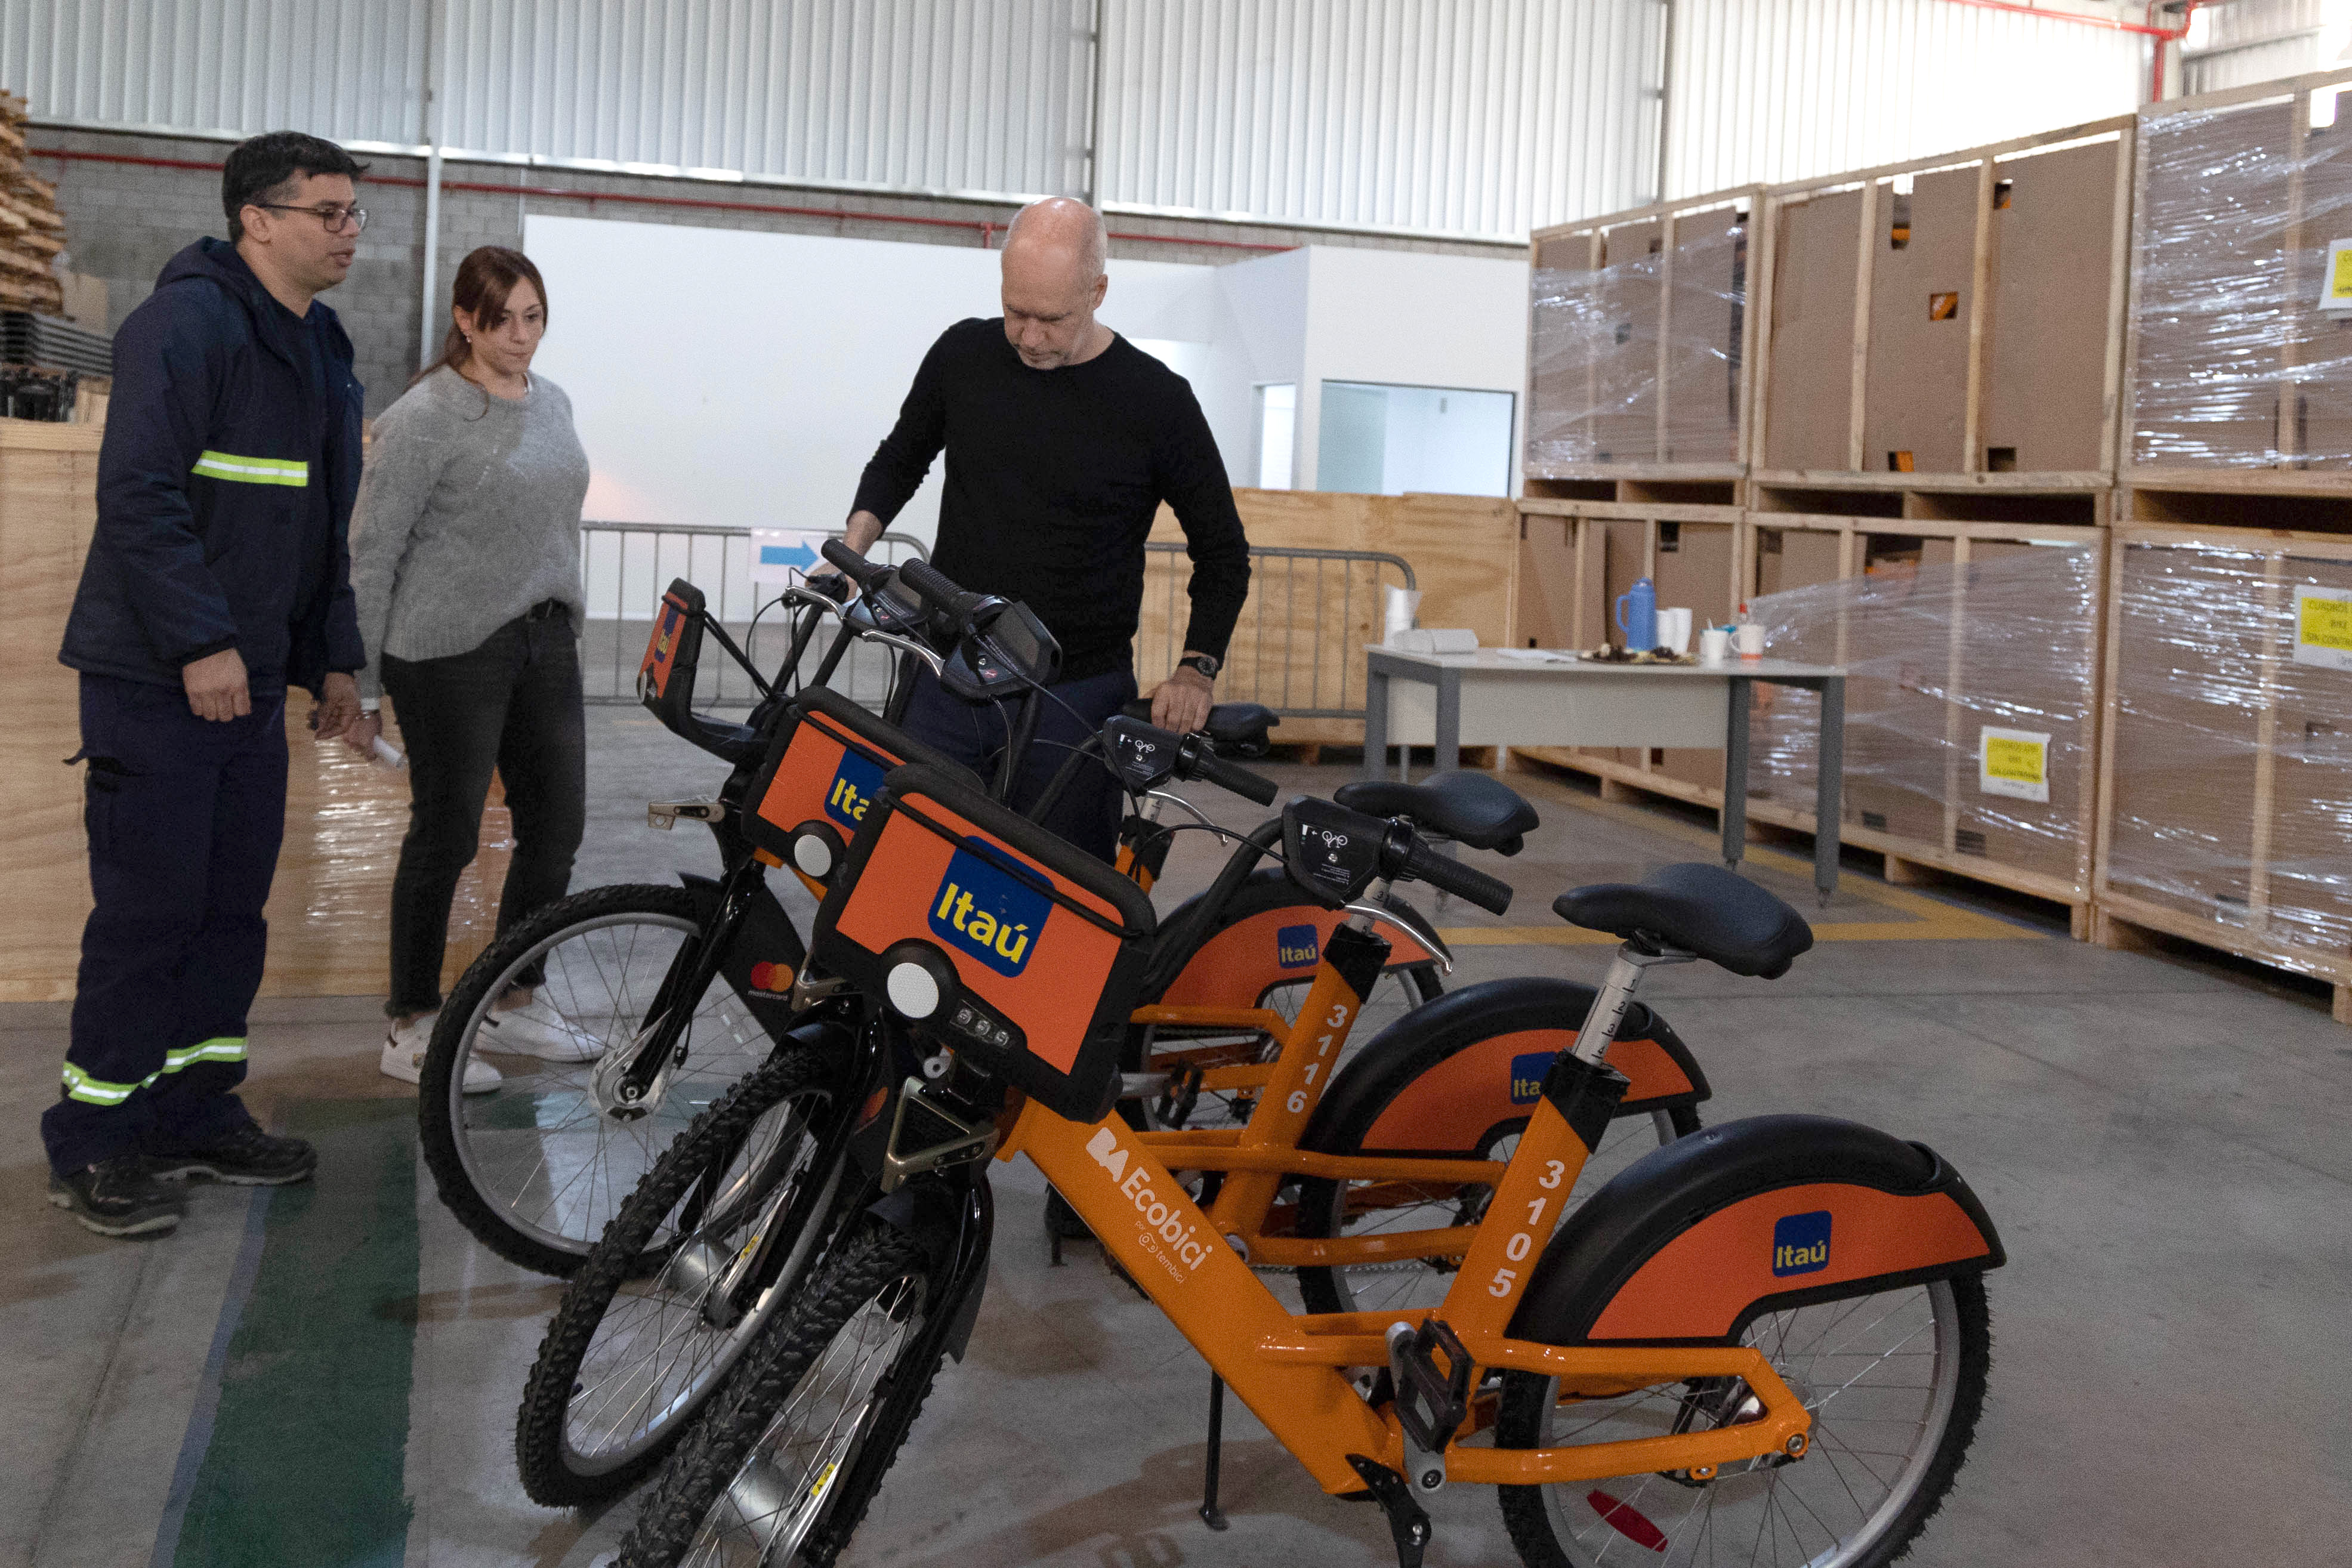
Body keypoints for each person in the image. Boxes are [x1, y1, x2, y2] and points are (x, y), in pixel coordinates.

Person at [45, 131, 370, 1237]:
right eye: (327, 211)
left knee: (230, 913)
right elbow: (139, 497)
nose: (349, 231)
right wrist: (200, 644)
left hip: (254, 682)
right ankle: (95, 1137)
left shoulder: (321, 345)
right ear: (257, 220)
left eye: (354, 212)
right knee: (150, 916)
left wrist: (332, 658)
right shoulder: (182, 325)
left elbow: (320, 526)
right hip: (157, 682)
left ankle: (193, 1111)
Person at [840, 197, 1251, 860]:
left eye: (1052, 320)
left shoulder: (1157, 402)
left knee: (1051, 887)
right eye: (1015, 312)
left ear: (1098, 292)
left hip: (1074, 700)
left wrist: (1196, 671)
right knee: (905, 858)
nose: (1029, 338)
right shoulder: (962, 355)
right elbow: (900, 460)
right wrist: (848, 553)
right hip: (947, 676)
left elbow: (1223, 552)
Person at [342, 248, 597, 1091]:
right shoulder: (424, 417)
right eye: (501, 320)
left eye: (533, 317)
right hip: (447, 648)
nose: (520, 336)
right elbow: (374, 553)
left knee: (555, 829)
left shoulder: (553, 401)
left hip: (544, 639)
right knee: (446, 833)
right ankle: (410, 1023)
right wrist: (362, 684)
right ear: (464, 320)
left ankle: (512, 1000)